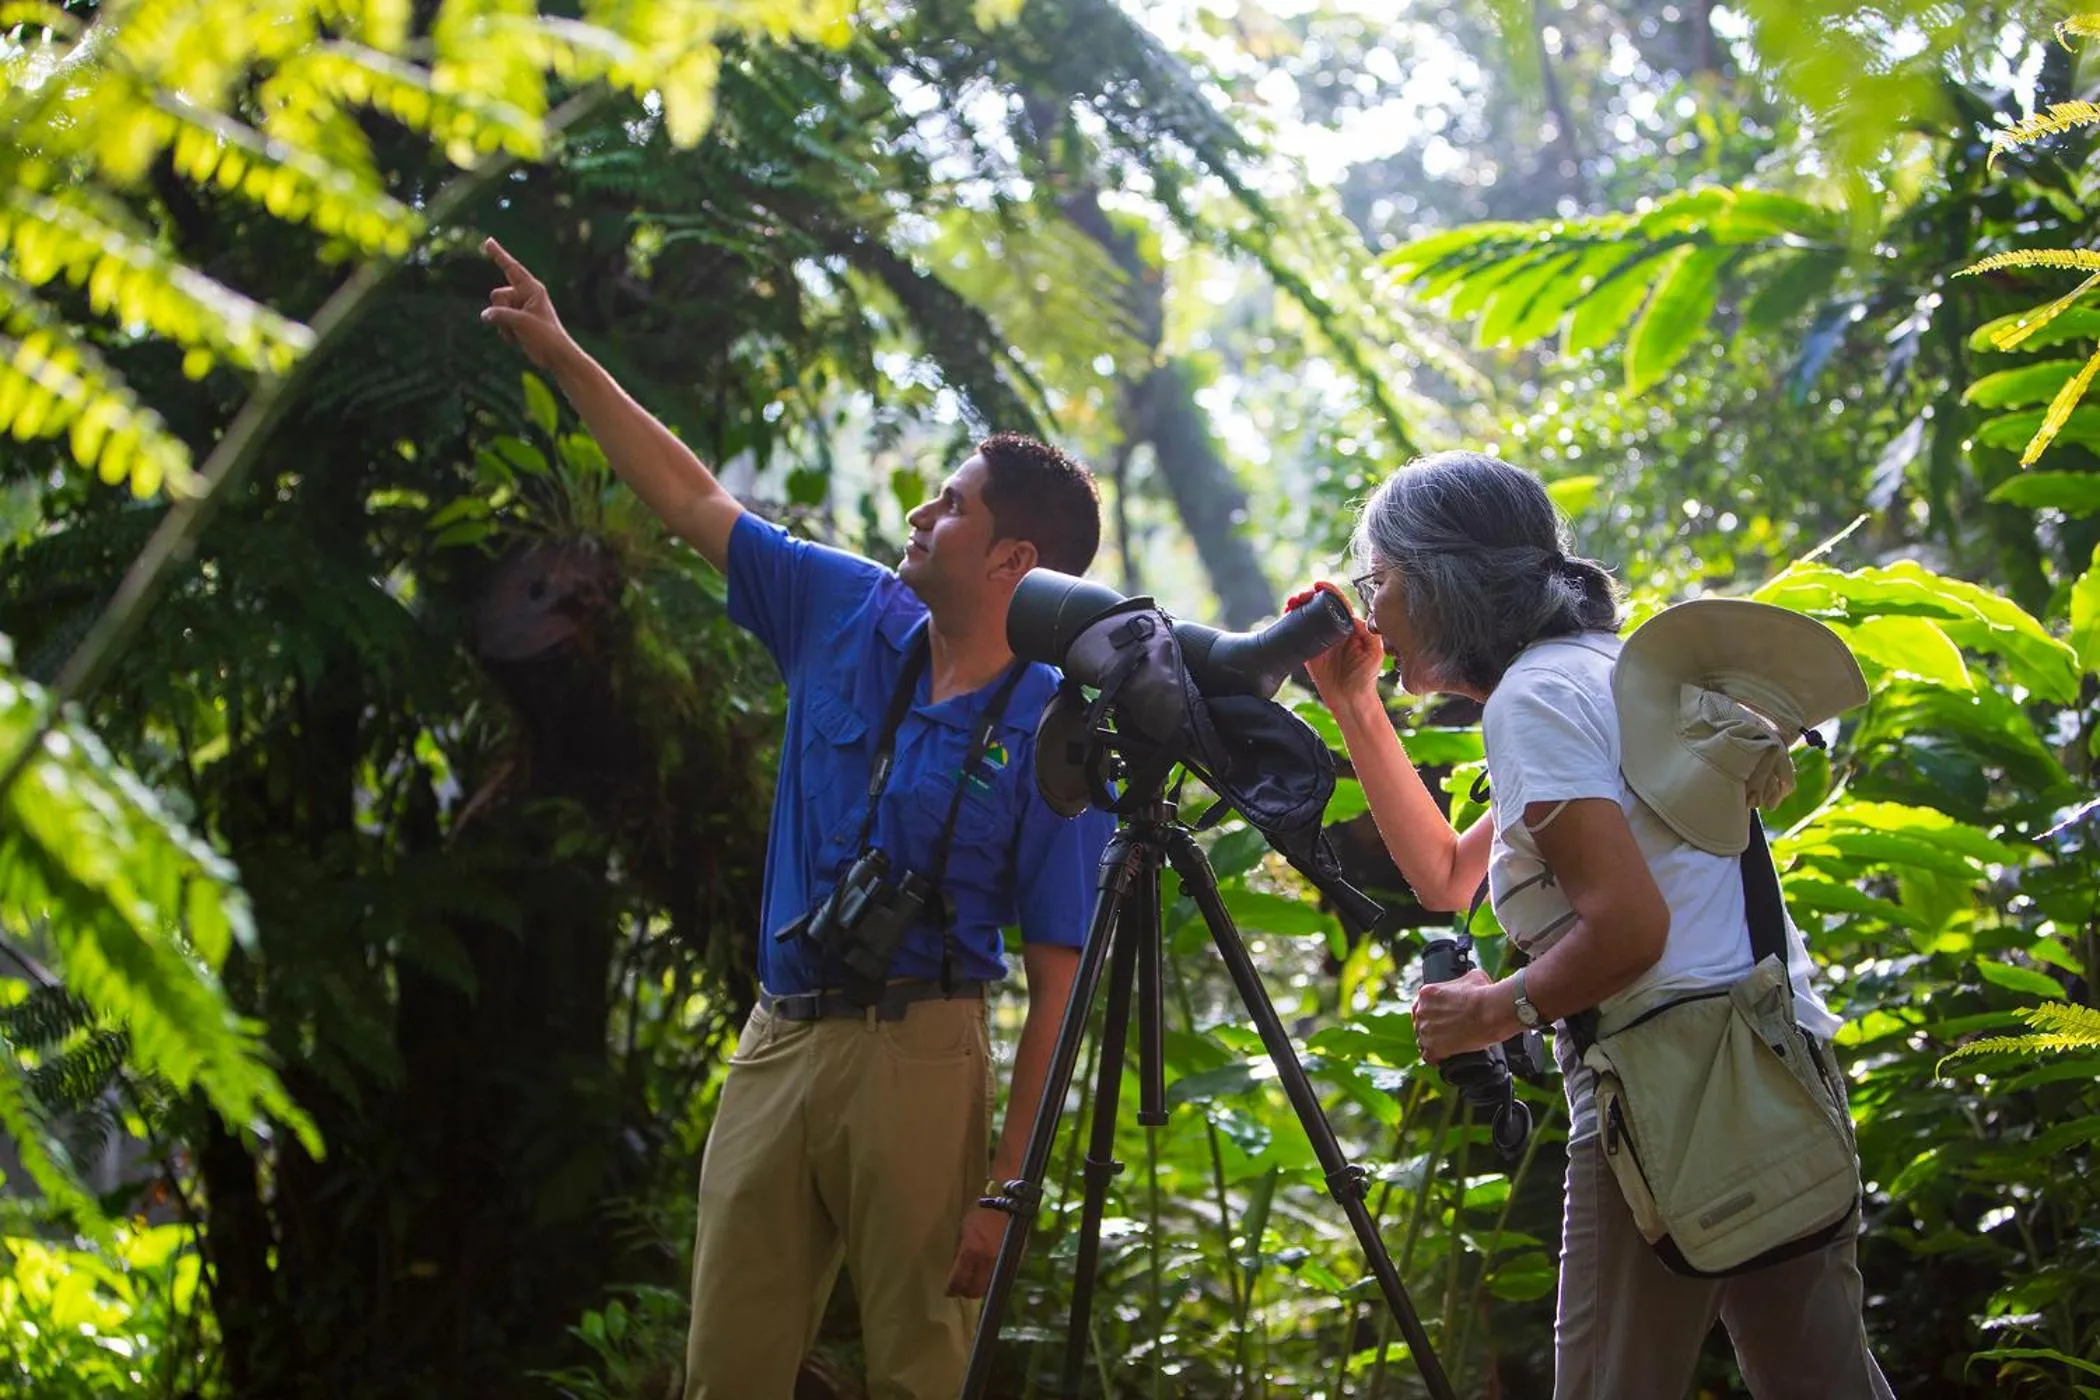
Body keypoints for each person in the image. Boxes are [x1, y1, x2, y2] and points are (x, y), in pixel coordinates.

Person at [478, 238, 1115, 1399]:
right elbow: (691, 493)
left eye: (955, 504)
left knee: (922, 1369)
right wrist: (562, 353)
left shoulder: (1055, 731)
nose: (923, 511)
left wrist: (1007, 1180)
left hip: (925, 1050)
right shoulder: (839, 606)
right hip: (777, 1036)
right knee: (726, 1369)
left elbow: (1060, 978)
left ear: (1014, 556)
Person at [1295, 451, 1892, 1398]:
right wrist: (1357, 705)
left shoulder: (1536, 701)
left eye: (1382, 582)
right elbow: (1451, 878)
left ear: (1444, 581)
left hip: (1667, 1090)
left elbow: (1629, 931)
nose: (1373, 613)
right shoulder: (1603, 676)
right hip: (1771, 1067)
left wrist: (1490, 1012)